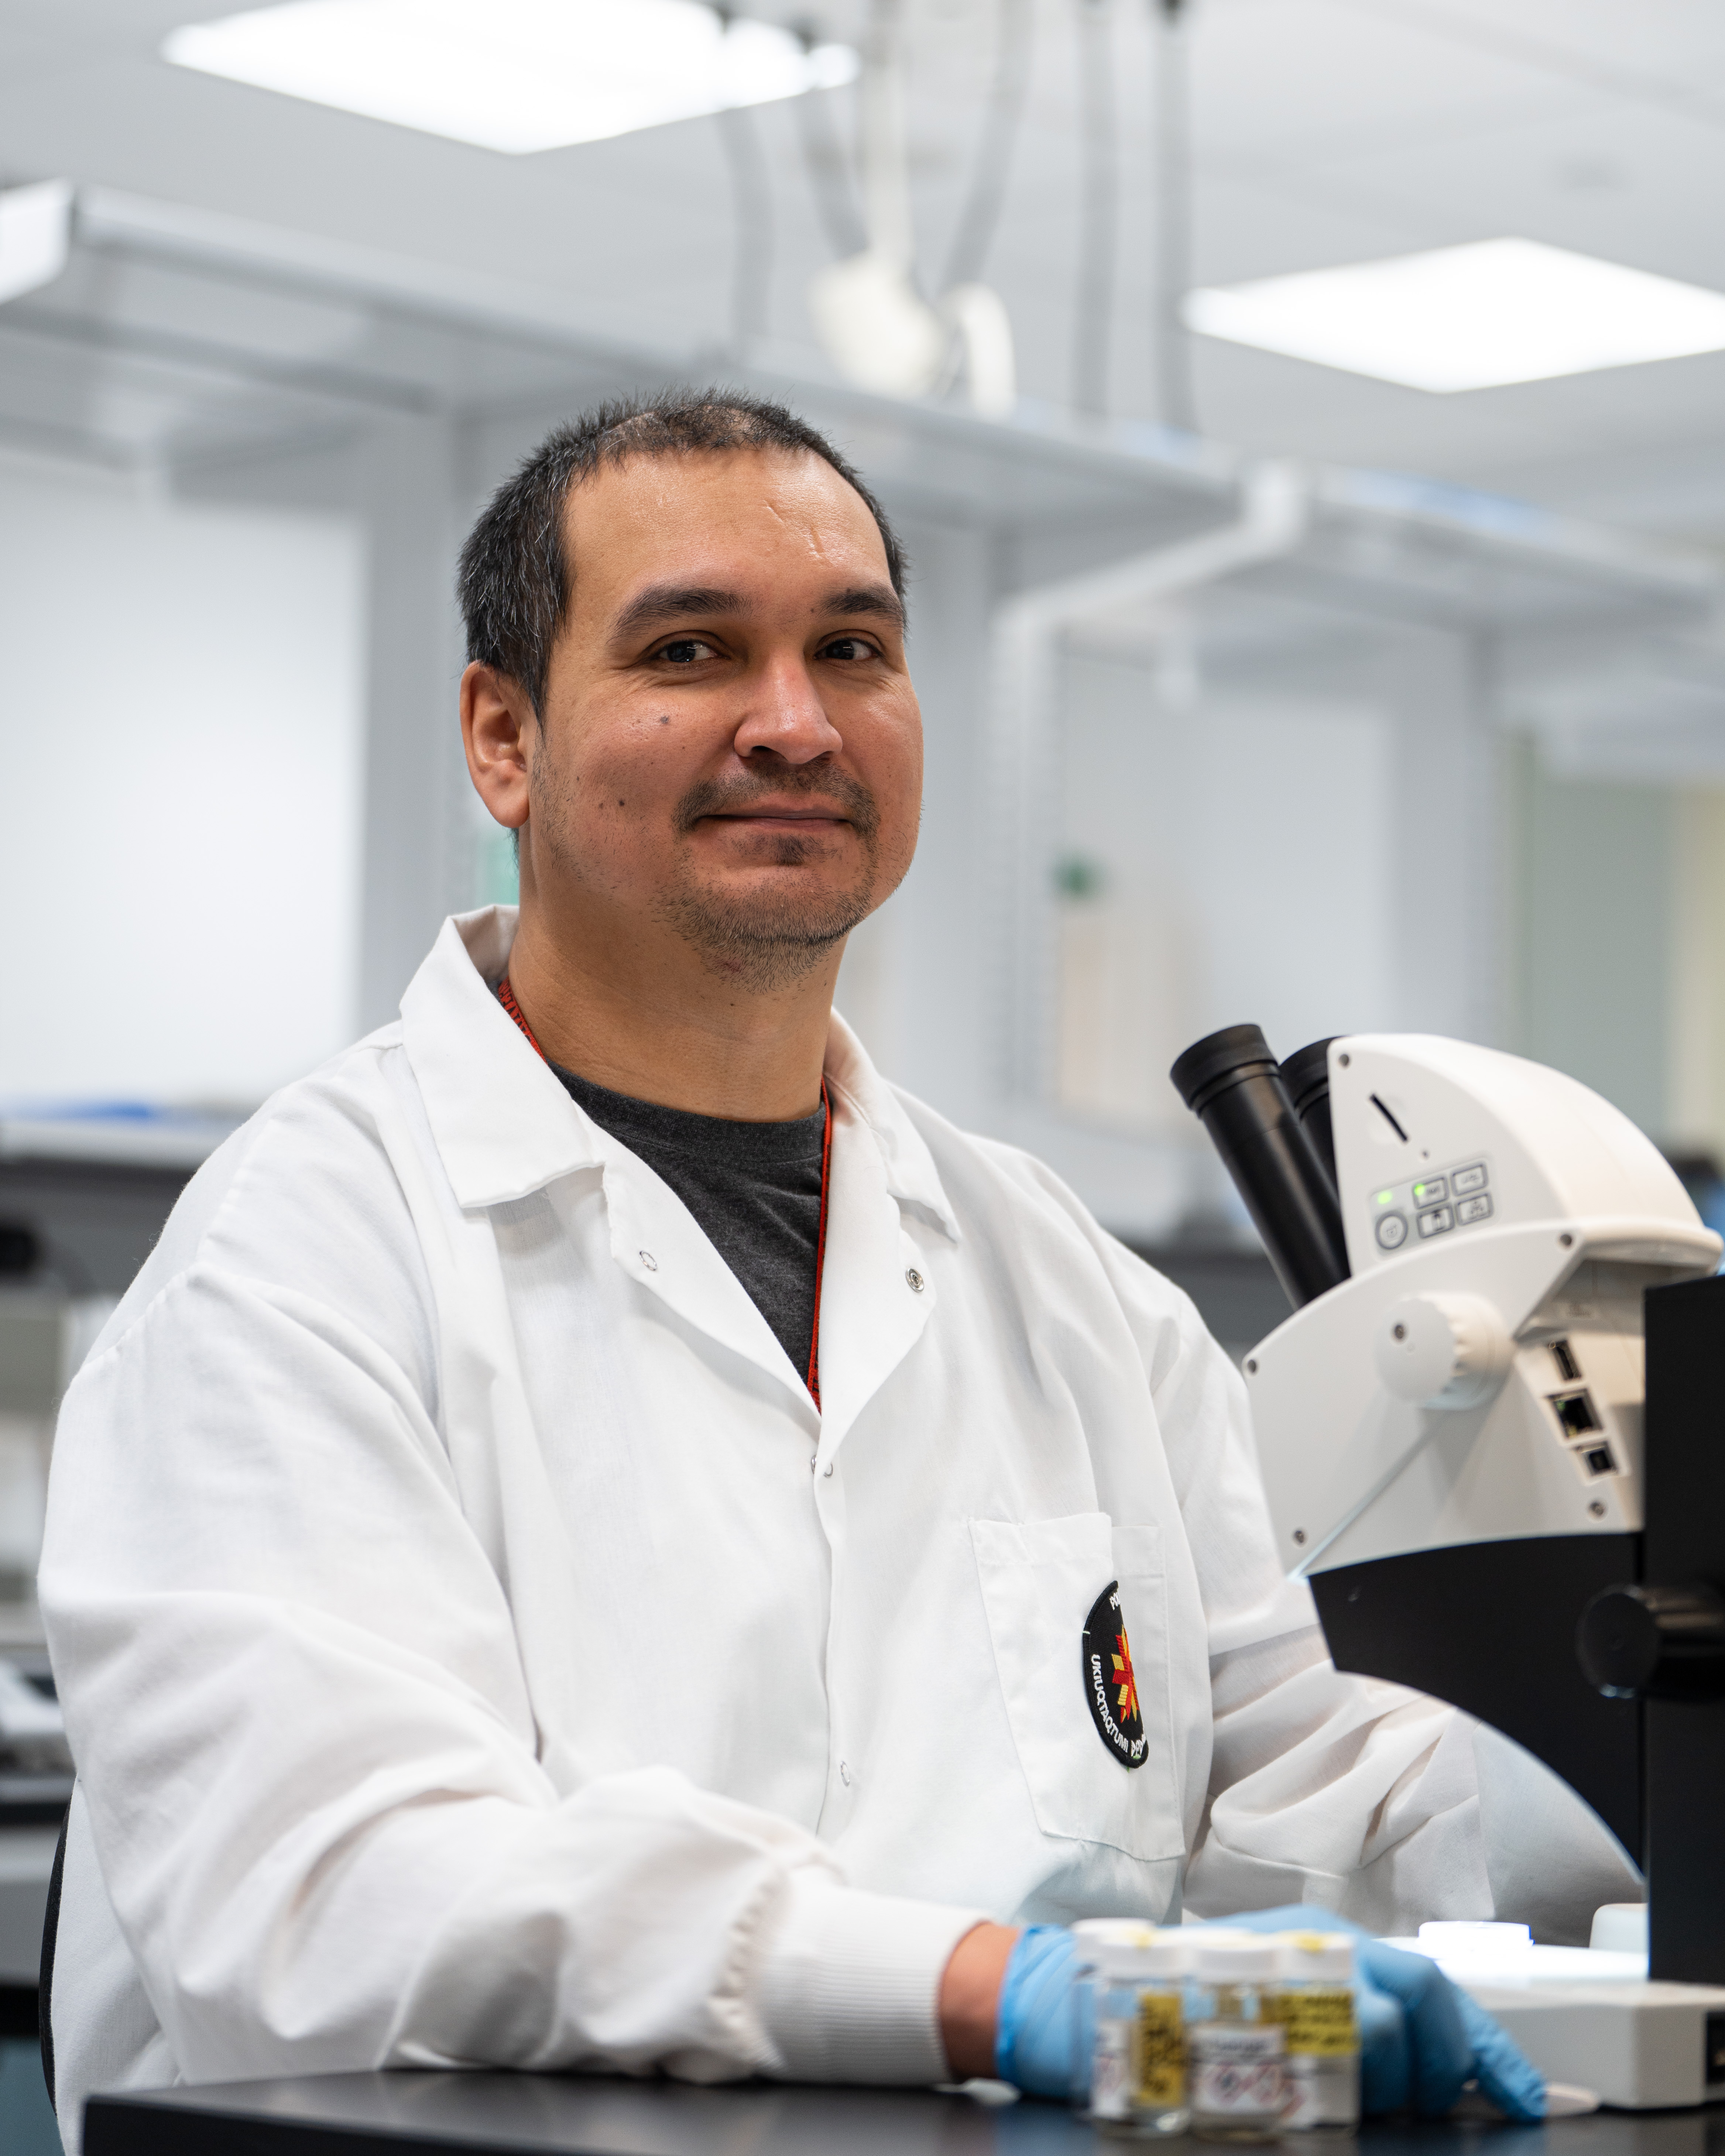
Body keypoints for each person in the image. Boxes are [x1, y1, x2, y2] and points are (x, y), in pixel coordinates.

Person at [40, 392, 1626, 2145]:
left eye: (852, 647)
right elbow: (339, 1895)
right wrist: (989, 1992)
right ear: (504, 736)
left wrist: (1648, 1742)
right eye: (693, 647)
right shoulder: (301, 1256)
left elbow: (1333, 1790)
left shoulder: (1070, 1287)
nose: (793, 722)